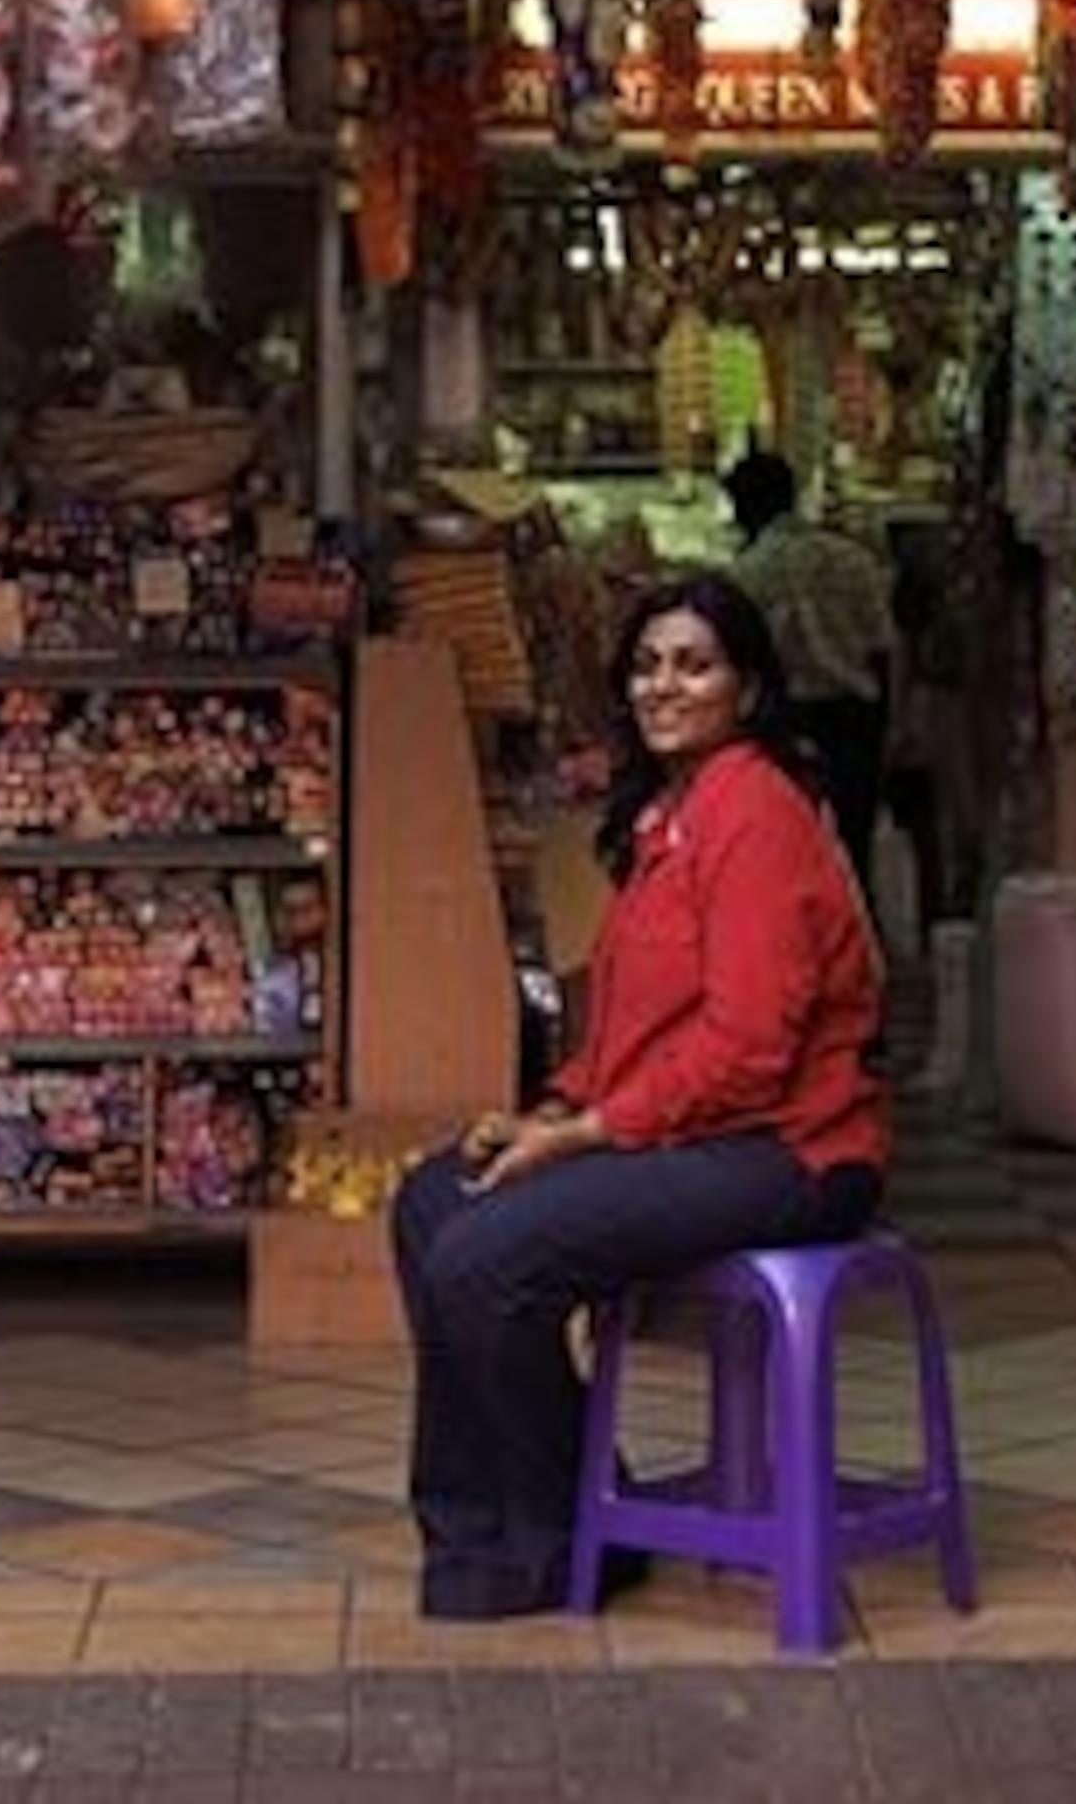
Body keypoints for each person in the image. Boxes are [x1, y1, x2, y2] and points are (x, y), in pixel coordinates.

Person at [387, 573, 887, 1621]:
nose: (664, 685)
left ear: (746, 691)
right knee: (433, 1202)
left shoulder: (758, 813)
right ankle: (483, 1535)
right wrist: (552, 1111)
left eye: (694, 664)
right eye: (649, 664)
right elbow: (629, 1028)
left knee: (488, 1257)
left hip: (788, 1151)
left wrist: (585, 1138)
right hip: (685, 1131)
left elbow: (751, 1049)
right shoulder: (670, 819)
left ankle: (562, 1532)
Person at [722, 447, 899, 884]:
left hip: (783, 717)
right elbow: (884, 647)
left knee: (787, 841)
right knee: (856, 838)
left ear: (743, 507)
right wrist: (894, 721)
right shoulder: (852, 559)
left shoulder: (745, 575)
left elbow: (742, 663)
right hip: (856, 711)